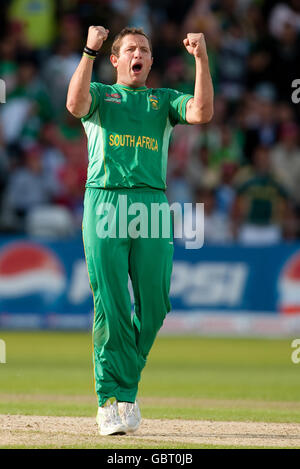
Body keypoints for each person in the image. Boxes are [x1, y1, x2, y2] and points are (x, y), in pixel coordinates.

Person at [66, 25, 213, 436]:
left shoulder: (161, 100)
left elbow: (201, 113)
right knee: (111, 305)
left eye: (144, 50)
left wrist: (201, 59)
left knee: (155, 305)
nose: (138, 54)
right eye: (130, 48)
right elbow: (75, 105)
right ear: (116, 60)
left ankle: (124, 386)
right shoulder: (100, 94)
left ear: (150, 61)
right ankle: (112, 401)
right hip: (105, 200)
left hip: (151, 204)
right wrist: (88, 51)